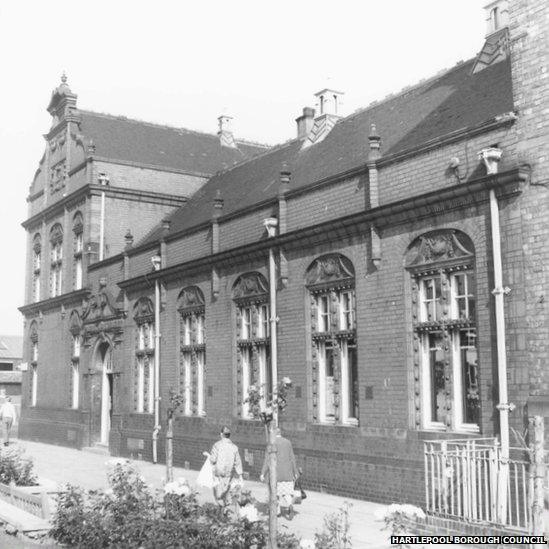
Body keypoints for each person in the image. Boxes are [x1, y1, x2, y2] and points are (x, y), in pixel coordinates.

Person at [260, 427, 298, 519]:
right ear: (280, 433)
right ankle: (290, 505)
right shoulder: (288, 442)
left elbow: (267, 459)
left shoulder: (271, 443)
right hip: (287, 473)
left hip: (275, 474)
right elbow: (292, 457)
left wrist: (262, 473)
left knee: (275, 493)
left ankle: (277, 512)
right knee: (287, 493)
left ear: (273, 434)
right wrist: (295, 471)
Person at [209, 426, 243, 512]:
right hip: (229, 472)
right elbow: (238, 462)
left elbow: (213, 460)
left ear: (221, 434)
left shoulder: (217, 445)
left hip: (218, 472)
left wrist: (209, 457)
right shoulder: (234, 447)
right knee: (226, 489)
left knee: (218, 490)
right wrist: (240, 474)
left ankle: (220, 507)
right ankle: (225, 507)